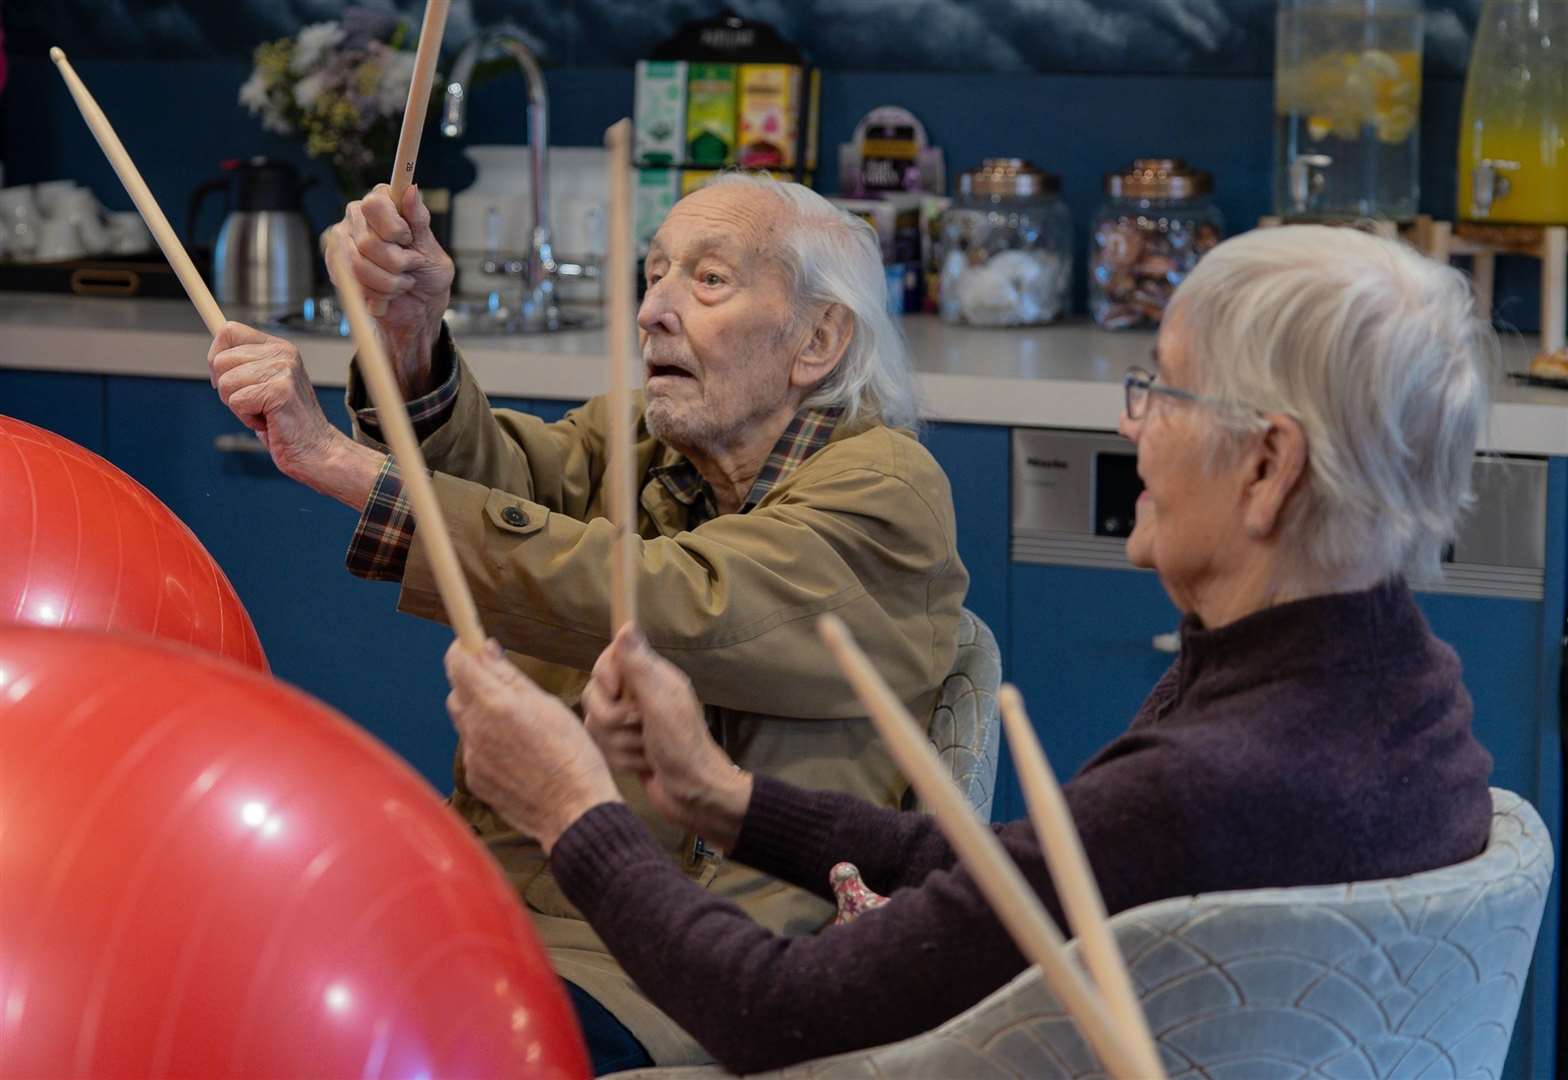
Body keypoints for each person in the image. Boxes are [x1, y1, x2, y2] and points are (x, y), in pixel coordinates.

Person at [444, 224, 1497, 1074]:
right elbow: (1038, 867)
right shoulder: (1403, 691)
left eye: (1164, 391)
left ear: (1266, 467)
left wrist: (573, 811)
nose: (1132, 425)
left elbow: (773, 1011)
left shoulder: (1204, 787)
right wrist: (725, 798)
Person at [204, 173, 968, 1069]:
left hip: (671, 956)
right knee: (239, 980)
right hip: (499, 900)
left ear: (819, 339)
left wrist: (342, 465)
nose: (654, 311)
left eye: (709, 280)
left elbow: (672, 603)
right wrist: (409, 338)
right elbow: (504, 489)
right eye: (654, 274)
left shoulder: (887, 489)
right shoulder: (649, 442)